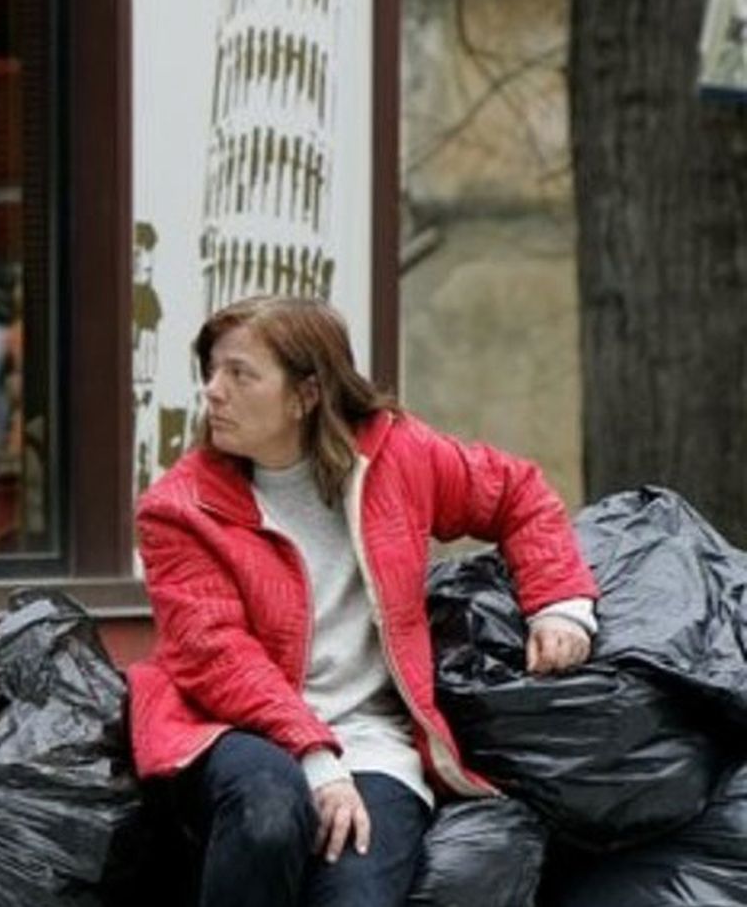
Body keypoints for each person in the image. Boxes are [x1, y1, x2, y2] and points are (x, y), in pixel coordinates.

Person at [128, 296, 599, 907]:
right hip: (228, 728)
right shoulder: (180, 507)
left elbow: (519, 494)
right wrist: (315, 757)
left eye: (240, 374)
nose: (214, 392)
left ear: (307, 394)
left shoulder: (397, 459)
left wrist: (559, 604)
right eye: (212, 372)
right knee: (270, 811)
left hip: (372, 741)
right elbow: (213, 654)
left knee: (355, 895)